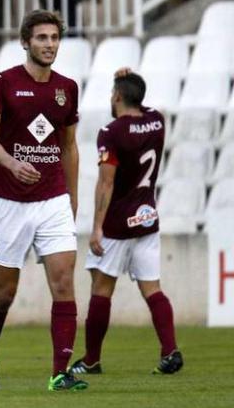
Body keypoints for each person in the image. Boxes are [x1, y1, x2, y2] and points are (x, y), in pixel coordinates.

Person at [0, 9, 84, 392]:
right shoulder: (0, 83)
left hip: (52, 199)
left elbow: (69, 148)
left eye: (54, 38)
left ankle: (59, 373)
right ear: (25, 41)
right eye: (41, 38)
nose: (49, 45)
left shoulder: (67, 87)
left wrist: (71, 199)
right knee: (4, 294)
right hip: (7, 200)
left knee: (64, 283)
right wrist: (10, 163)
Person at [69, 69, 183, 376]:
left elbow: (106, 183)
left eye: (112, 93)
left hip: (118, 223)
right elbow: (141, 105)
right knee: (153, 289)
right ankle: (170, 350)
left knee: (101, 290)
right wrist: (131, 81)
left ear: (117, 96)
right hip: (147, 218)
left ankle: (91, 360)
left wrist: (96, 228)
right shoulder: (157, 120)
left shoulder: (111, 132)